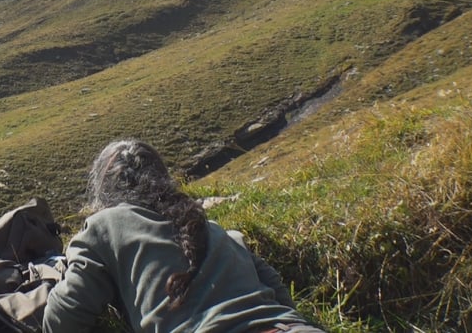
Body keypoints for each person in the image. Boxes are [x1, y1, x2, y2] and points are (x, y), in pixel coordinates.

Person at [43, 139, 326, 333]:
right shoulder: (213, 229)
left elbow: (62, 320)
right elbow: (276, 289)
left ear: (104, 191)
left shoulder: (103, 227)